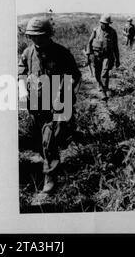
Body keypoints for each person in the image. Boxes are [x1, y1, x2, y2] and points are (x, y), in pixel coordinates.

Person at [18, 16, 81, 194]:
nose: (35, 39)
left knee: (50, 139)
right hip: (37, 103)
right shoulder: (28, 52)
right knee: (44, 139)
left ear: (48, 35)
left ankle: (50, 176)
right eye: (32, 36)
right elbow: (21, 72)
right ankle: (58, 146)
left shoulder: (62, 53)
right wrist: (22, 89)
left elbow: (75, 75)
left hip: (58, 103)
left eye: (39, 35)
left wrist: (62, 94)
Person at [86, 14, 120, 100]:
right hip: (97, 56)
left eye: (106, 23)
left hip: (107, 56)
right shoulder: (95, 31)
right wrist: (88, 54)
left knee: (104, 73)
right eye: (103, 23)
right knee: (97, 74)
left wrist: (117, 59)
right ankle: (101, 87)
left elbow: (115, 47)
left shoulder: (113, 32)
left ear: (109, 24)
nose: (104, 25)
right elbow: (89, 43)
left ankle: (104, 92)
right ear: (100, 22)